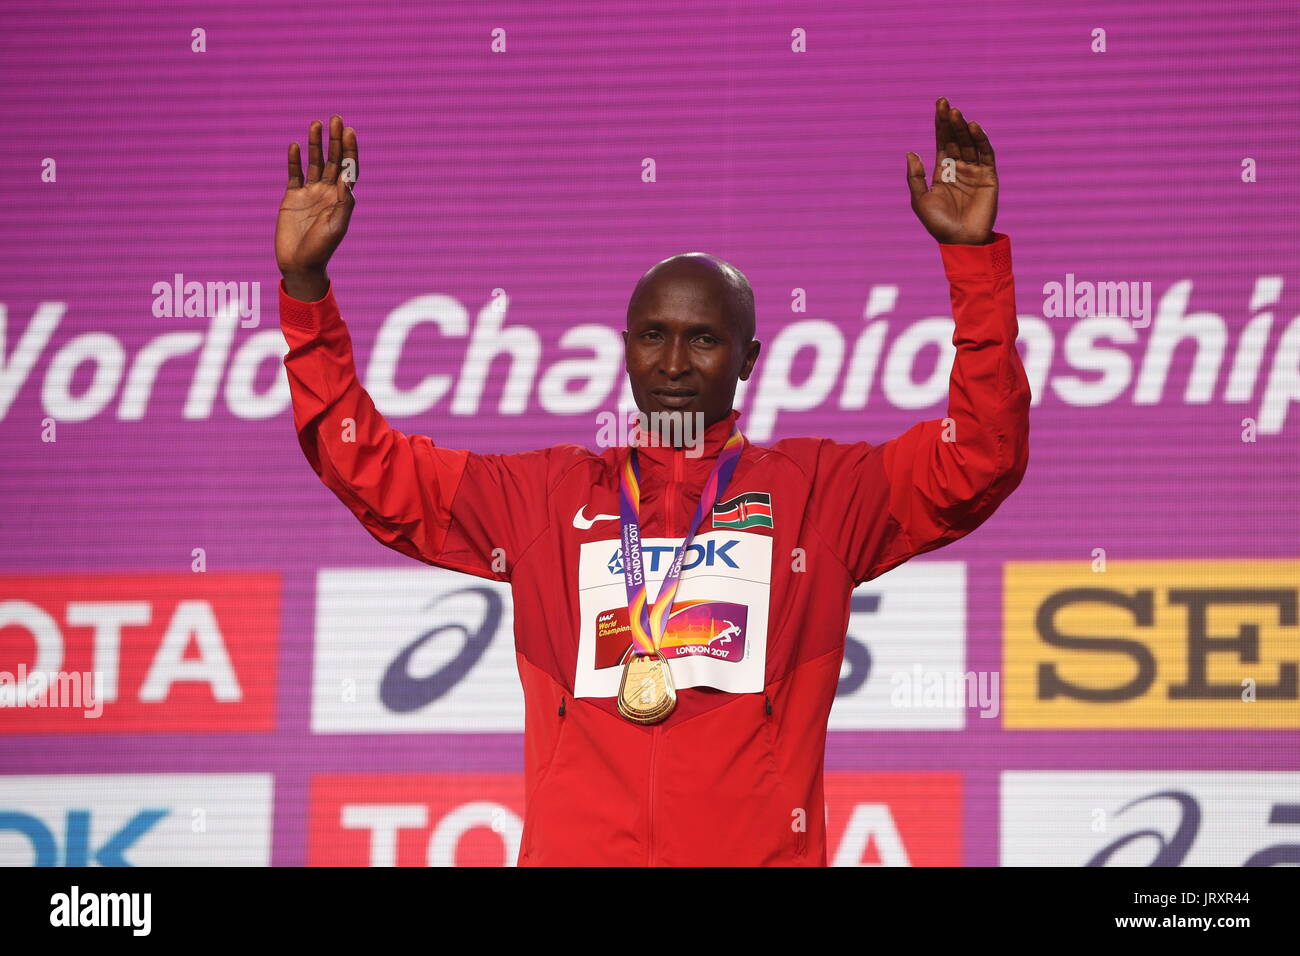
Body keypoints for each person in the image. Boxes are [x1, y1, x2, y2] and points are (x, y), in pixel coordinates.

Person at [274, 97, 1030, 866]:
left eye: (704, 339)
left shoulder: (821, 493)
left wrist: (973, 266)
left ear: (749, 357)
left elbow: (980, 453)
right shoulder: (545, 497)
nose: (673, 365)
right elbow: (363, 461)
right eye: (653, 337)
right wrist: (306, 291)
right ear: (626, 347)